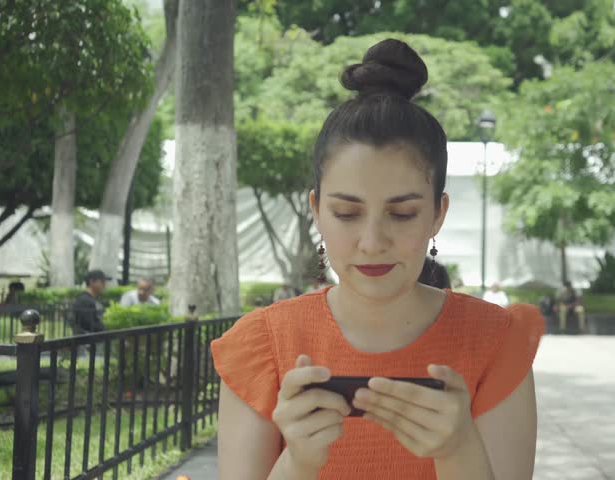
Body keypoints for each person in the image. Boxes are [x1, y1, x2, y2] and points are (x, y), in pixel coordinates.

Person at [212, 39, 541, 480]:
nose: (371, 242)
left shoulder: (496, 344)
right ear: (316, 211)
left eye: (402, 213)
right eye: (347, 213)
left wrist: (458, 449)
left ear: (437, 215)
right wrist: (298, 462)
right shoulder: (261, 346)